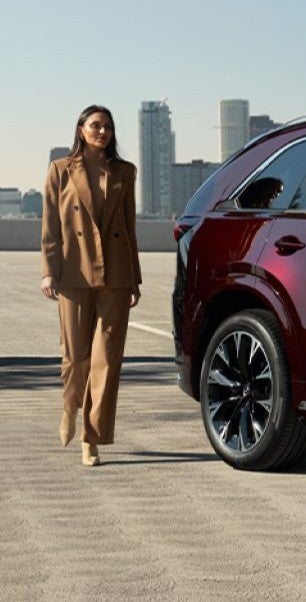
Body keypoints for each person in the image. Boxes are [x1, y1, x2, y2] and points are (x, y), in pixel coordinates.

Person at [40, 105, 141, 466]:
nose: (103, 132)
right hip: (74, 272)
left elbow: (129, 227)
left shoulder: (125, 172)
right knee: (75, 358)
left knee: (107, 360)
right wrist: (48, 271)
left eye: (108, 127)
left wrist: (134, 278)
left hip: (116, 274)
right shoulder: (60, 170)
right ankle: (71, 406)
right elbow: (51, 225)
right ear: (80, 129)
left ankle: (91, 437)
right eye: (96, 125)